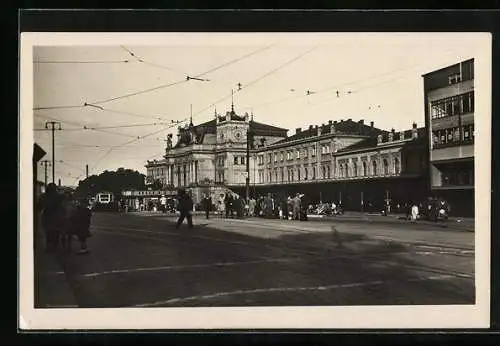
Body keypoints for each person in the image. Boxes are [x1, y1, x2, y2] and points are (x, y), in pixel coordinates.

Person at [39, 183, 65, 253]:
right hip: (57, 216)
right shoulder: (59, 196)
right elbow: (62, 204)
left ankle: (48, 247)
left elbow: (40, 206)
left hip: (47, 216)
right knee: (56, 232)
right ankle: (55, 246)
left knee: (48, 232)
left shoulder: (43, 196)